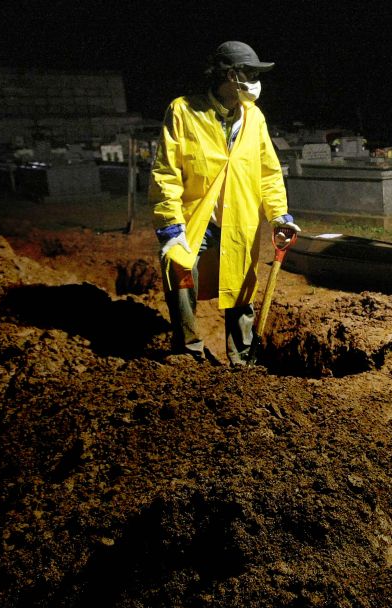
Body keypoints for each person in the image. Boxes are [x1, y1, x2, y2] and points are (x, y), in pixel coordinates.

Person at [150, 41, 296, 365]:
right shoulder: (183, 112)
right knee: (180, 271)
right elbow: (166, 173)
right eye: (252, 73)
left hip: (239, 218)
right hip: (194, 219)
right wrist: (170, 226)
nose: (258, 81)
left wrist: (279, 216)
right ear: (231, 75)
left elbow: (268, 173)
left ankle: (243, 357)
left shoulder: (254, 118)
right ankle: (188, 348)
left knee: (242, 283)